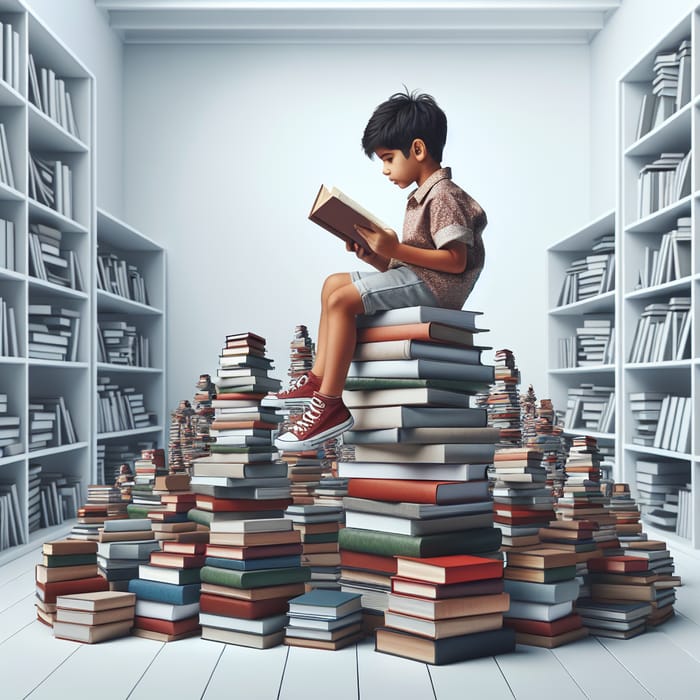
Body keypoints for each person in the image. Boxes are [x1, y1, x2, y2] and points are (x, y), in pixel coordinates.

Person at [269, 89, 487, 451]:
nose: (385, 170)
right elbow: (415, 259)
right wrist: (376, 257)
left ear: (417, 150)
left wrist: (394, 248)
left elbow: (455, 261)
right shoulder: (422, 196)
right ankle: (319, 376)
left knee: (342, 302)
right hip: (423, 278)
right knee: (332, 284)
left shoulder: (444, 195)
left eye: (388, 159)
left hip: (438, 289)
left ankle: (330, 405)